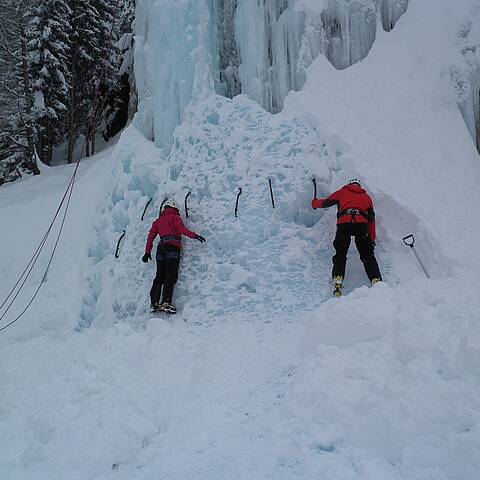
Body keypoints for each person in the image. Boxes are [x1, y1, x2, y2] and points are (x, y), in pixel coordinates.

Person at [311, 178, 382, 296]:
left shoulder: (342, 192)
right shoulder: (367, 197)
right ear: (359, 186)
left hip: (344, 224)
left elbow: (326, 202)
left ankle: (338, 278)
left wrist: (314, 203)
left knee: (341, 253)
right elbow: (371, 221)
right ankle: (376, 279)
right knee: (367, 255)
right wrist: (372, 239)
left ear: (349, 184)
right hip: (361, 225)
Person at [142, 198, 206, 313]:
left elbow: (150, 236)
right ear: (175, 208)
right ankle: (166, 302)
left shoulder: (157, 221)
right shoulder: (175, 217)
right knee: (170, 276)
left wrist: (147, 252)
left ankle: (154, 303)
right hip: (172, 247)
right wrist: (195, 236)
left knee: (159, 277)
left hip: (160, 249)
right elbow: (182, 229)